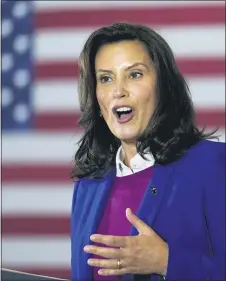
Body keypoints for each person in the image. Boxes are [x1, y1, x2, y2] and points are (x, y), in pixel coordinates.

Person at [70, 22, 225, 281]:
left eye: (135, 74)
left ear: (163, 87)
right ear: (97, 100)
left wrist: (167, 262)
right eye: (106, 78)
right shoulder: (88, 186)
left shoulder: (212, 165)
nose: (119, 91)